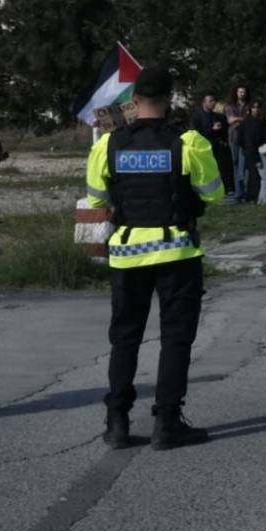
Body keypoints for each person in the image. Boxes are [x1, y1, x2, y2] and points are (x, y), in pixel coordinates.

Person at [84, 65, 224, 449]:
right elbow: (213, 192)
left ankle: (117, 422)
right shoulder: (189, 142)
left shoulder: (108, 144)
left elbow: (96, 199)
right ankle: (166, 422)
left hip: (127, 253)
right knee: (175, 339)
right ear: (169, 100)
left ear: (133, 101)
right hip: (177, 251)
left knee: (125, 338)